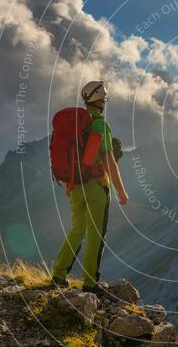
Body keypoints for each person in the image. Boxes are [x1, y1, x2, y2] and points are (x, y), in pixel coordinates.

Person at [51, 81, 128, 292]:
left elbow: (71, 156)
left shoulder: (76, 124)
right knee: (96, 235)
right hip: (96, 187)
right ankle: (90, 283)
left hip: (75, 186)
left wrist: (69, 183)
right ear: (101, 101)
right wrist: (120, 190)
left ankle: (58, 275)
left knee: (76, 230)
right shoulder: (100, 125)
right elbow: (109, 160)